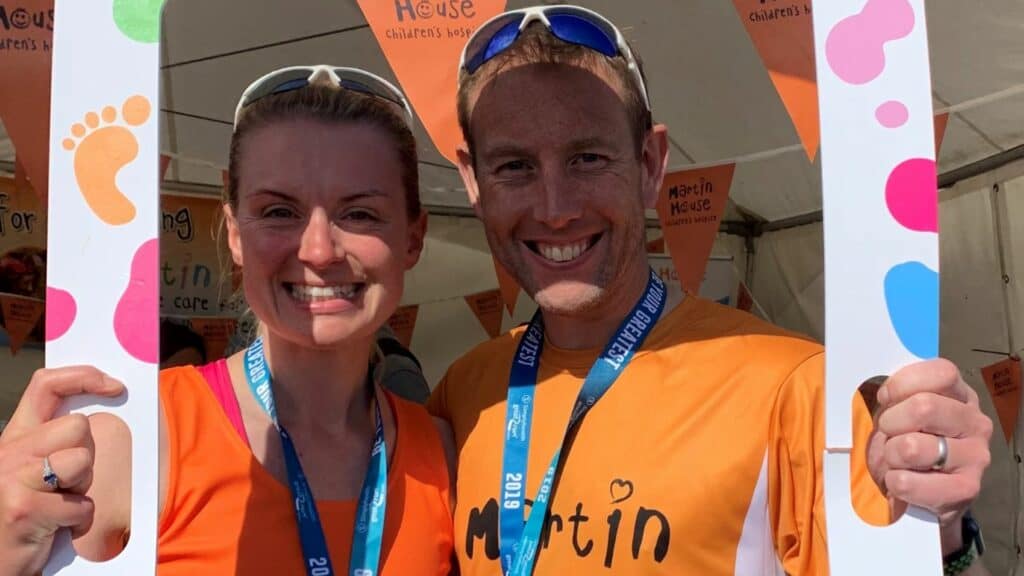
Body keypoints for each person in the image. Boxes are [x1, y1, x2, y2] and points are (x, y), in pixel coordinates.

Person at [428, 6, 993, 575]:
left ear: (650, 164)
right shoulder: (465, 392)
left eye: (588, 158)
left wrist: (939, 531)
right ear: (473, 183)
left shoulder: (795, 388)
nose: (555, 209)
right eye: (515, 167)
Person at [0, 66, 456, 575]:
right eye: (280, 211)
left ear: (413, 237)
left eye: (361, 214)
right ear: (235, 233)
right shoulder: (137, 438)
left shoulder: (440, 451)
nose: (319, 250)